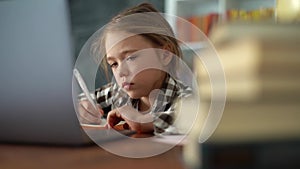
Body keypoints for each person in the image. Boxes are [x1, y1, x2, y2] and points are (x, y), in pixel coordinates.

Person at [77, 3, 192, 135]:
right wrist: (82, 108)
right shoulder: (117, 92)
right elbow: (77, 102)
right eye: (114, 64)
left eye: (131, 58)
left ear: (165, 54)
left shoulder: (185, 98)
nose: (121, 72)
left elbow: (193, 119)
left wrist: (144, 121)